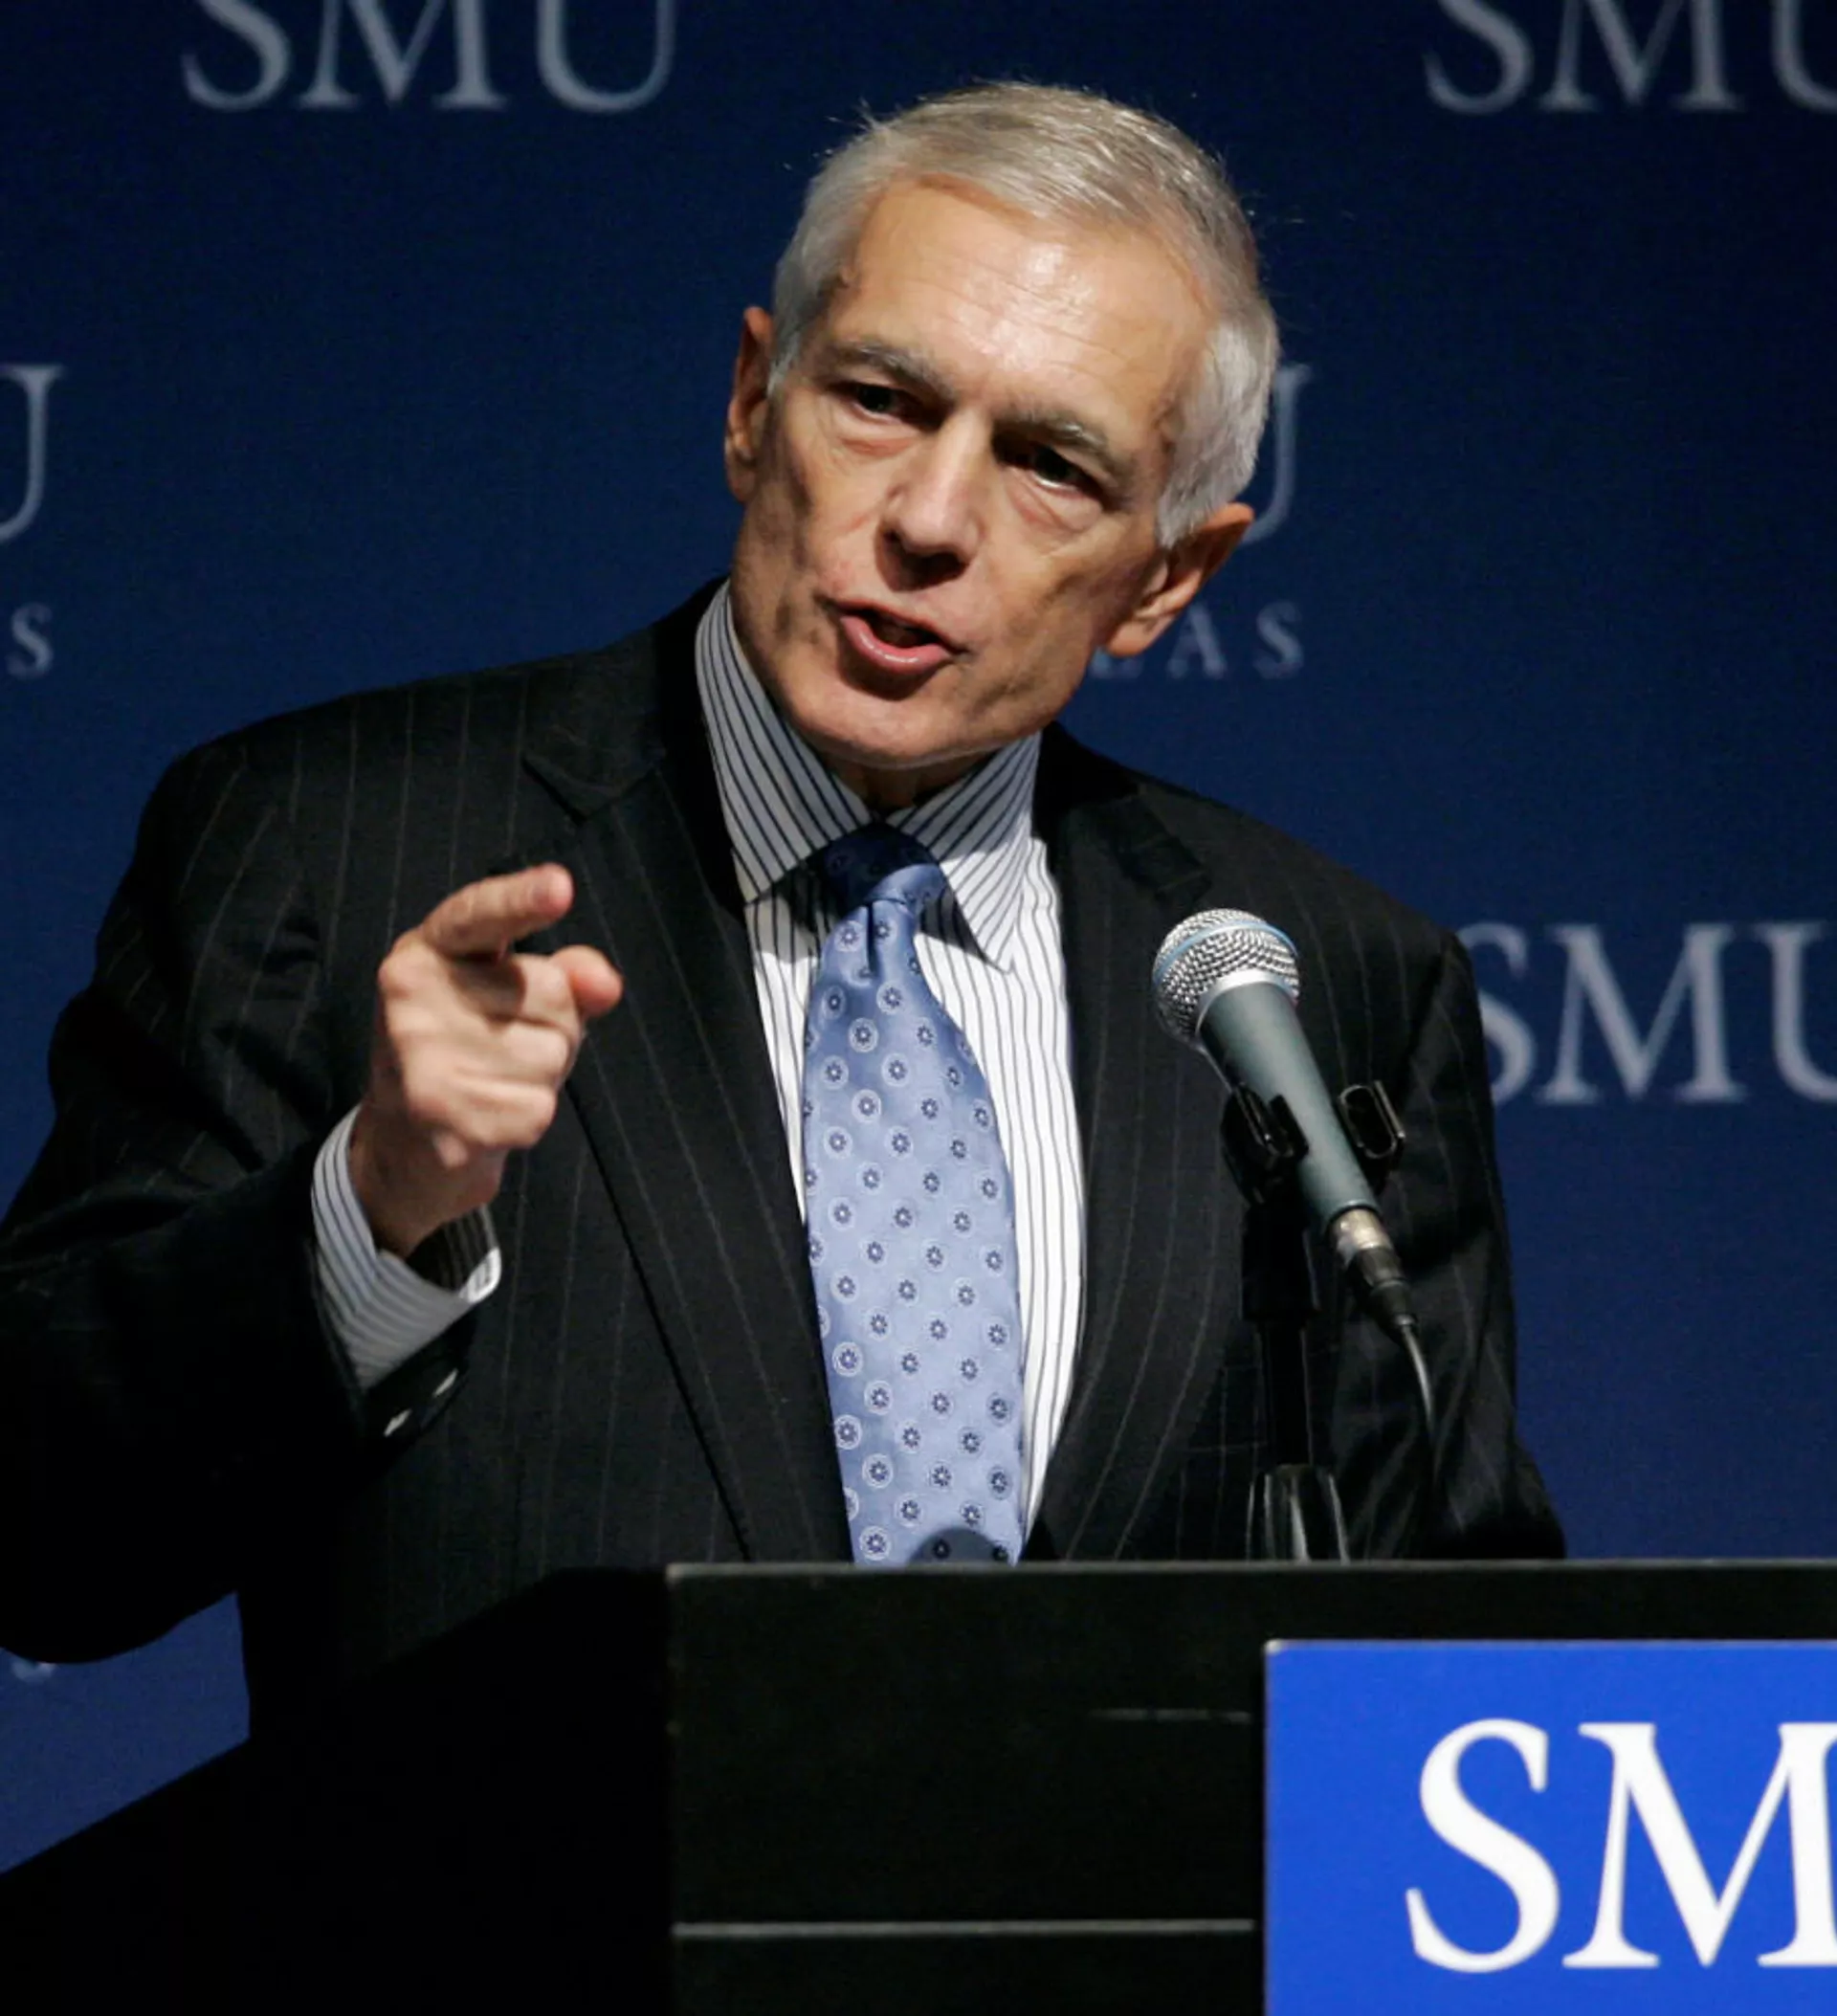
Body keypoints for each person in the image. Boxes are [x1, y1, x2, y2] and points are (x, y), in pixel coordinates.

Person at [0, 83, 1560, 1722]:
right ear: (756, 400)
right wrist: (369, 1203)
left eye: (1051, 464)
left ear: (1169, 574)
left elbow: (1469, 1702)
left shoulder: (1324, 986)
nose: (931, 521)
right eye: (881, 400)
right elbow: (39, 1533)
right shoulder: (331, 850)